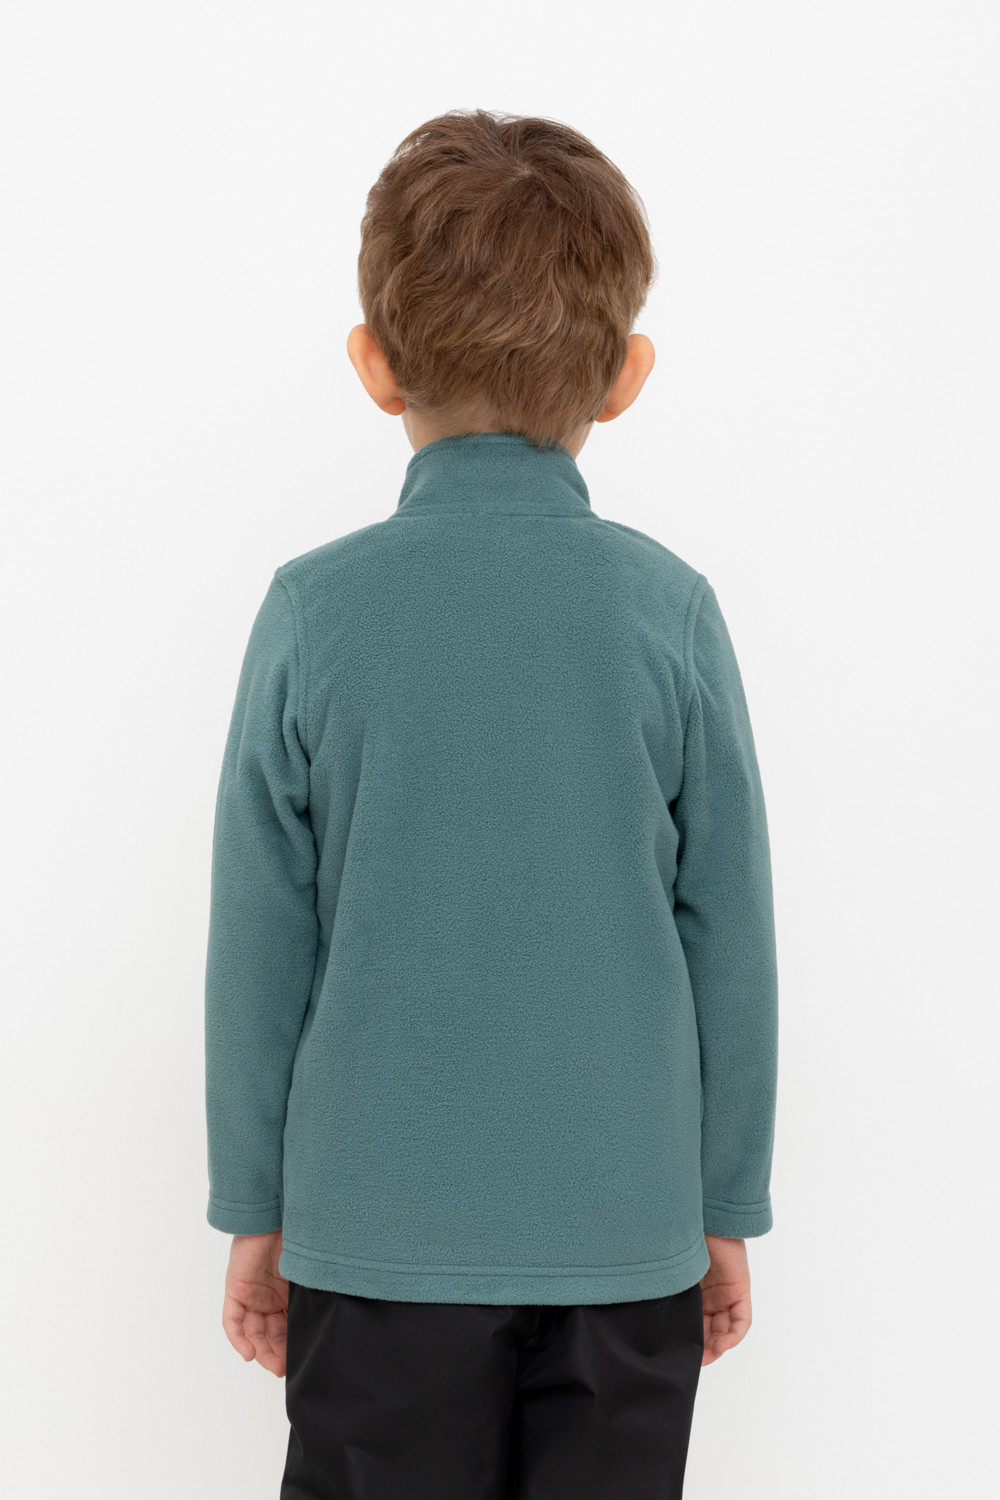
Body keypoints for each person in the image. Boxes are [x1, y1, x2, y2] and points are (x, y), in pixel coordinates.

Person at [204, 107, 780, 1500]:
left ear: (373, 362)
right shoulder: (669, 614)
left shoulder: (313, 612)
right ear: (626, 376)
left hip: (373, 1238)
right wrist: (722, 1201)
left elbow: (260, 939)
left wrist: (255, 1205)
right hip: (625, 1236)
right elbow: (730, 932)